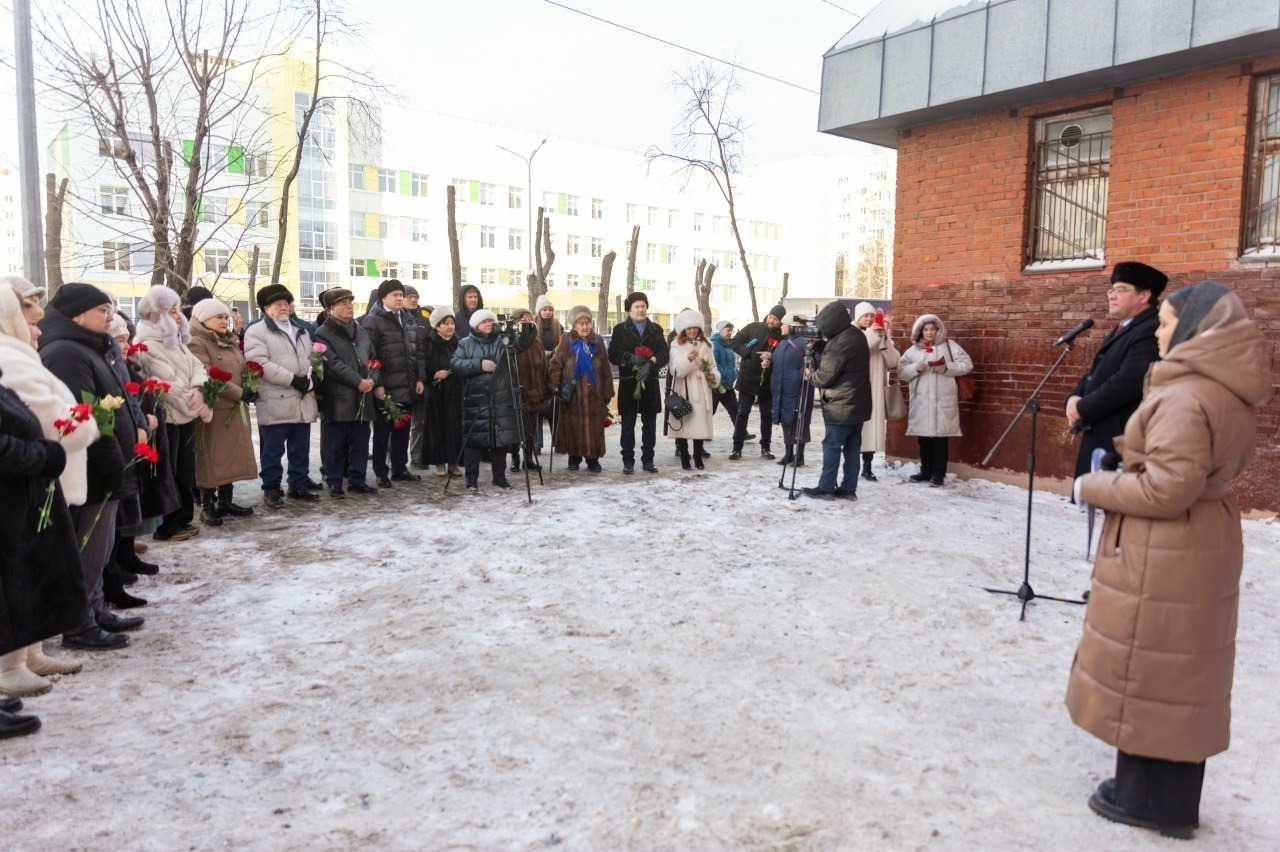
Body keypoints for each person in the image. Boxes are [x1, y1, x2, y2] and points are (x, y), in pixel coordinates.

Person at [1066, 281, 1271, 840]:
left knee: (1148, 663)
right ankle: (1171, 799)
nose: (1158, 329)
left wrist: (1096, 484)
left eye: (1167, 321)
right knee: (1181, 672)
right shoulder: (1221, 389)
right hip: (1201, 541)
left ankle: (1142, 799)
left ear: (1196, 329)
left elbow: (1166, 490)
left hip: (1167, 547)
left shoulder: (1186, 395)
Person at [38, 283, 145, 649]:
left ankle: (95, 608)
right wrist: (112, 459)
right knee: (88, 547)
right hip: (91, 468)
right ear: (78, 315)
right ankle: (79, 623)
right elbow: (84, 415)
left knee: (101, 545)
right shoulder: (67, 353)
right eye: (103, 310)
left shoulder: (89, 347)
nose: (111, 317)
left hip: (106, 464)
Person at [0, 280, 93, 692]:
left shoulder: (19, 352)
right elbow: (48, 417)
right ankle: (10, 664)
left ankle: (29, 653)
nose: (37, 322)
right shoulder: (11, 356)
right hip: (27, 476)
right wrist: (83, 426)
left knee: (33, 566)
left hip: (36, 475)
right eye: (28, 312)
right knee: (20, 570)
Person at [1065, 261, 1165, 478]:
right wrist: (1075, 397)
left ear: (1144, 295)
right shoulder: (1124, 328)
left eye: (1121, 290)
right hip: (1103, 427)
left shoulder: (1150, 329)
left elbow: (1129, 381)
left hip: (1121, 434)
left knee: (1112, 503)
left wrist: (1084, 407)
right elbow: (1098, 371)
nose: (1111, 295)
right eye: (1111, 290)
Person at [131, 285, 214, 539]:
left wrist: (200, 388)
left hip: (186, 415)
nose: (179, 316)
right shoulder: (146, 345)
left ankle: (183, 518)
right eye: (173, 311)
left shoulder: (177, 341)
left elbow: (198, 367)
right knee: (172, 471)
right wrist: (195, 403)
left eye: (178, 311)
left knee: (186, 470)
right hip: (168, 417)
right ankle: (169, 524)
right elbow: (165, 384)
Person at [244, 284, 320, 509]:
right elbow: (259, 363)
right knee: (273, 448)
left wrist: (313, 377)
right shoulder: (257, 331)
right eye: (279, 304)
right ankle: (271, 488)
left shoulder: (301, 330)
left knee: (301, 446)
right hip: (276, 397)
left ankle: (298, 483)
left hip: (302, 397)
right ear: (267, 308)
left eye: (287, 303)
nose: (285, 307)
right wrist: (292, 379)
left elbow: (312, 359)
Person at [187, 298, 258, 524]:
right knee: (211, 456)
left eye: (225, 317)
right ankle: (207, 504)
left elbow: (241, 366)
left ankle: (226, 500)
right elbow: (207, 374)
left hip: (234, 409)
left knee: (231, 456)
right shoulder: (196, 342)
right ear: (204, 319)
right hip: (214, 409)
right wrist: (239, 392)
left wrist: (251, 385)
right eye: (219, 317)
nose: (224, 321)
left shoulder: (230, 340)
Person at [450, 308, 536, 490]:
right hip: (476, 398)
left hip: (501, 397)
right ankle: (471, 479)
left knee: (500, 440)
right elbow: (455, 364)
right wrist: (479, 365)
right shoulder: (465, 343)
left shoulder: (503, 340)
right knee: (474, 442)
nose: (488, 324)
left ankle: (500, 477)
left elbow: (523, 343)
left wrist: (528, 328)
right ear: (476, 325)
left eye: (490, 321)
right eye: (484, 322)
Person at [801, 301, 871, 499]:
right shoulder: (856, 335)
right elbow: (844, 359)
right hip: (858, 404)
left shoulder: (839, 344)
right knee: (852, 448)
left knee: (831, 446)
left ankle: (826, 487)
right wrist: (823, 346)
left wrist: (810, 375)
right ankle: (849, 489)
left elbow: (825, 377)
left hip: (840, 406)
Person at [314, 288, 379, 497]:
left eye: (350, 302)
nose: (349, 306)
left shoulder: (360, 331)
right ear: (330, 309)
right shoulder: (322, 333)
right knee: (336, 444)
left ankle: (357, 479)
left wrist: (372, 379)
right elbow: (332, 364)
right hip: (339, 398)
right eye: (343, 303)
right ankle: (334, 481)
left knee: (361, 441)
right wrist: (358, 381)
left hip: (363, 396)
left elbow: (374, 359)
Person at [360, 279, 423, 487]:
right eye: (395, 295)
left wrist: (420, 378)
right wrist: (377, 384)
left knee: (402, 430)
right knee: (382, 432)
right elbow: (368, 355)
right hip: (385, 387)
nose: (399, 298)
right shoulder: (373, 321)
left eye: (400, 294)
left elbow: (418, 352)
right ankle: (381, 471)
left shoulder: (408, 319)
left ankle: (399, 468)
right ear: (383, 298)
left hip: (407, 384)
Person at [897, 314, 973, 487]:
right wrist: (916, 367)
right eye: (926, 329)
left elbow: (967, 364)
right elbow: (902, 371)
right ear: (920, 331)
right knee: (924, 439)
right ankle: (925, 471)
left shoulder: (949, 346)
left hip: (942, 400)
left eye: (933, 329)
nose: (930, 333)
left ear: (938, 330)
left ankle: (938, 474)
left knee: (940, 439)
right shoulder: (913, 350)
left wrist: (946, 367)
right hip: (922, 400)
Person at [608, 292, 669, 474]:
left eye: (643, 306)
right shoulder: (620, 329)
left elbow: (664, 353)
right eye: (637, 306)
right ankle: (628, 461)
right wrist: (630, 358)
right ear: (629, 309)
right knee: (628, 424)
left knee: (649, 425)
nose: (641, 309)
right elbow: (613, 354)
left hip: (649, 383)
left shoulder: (656, 329)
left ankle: (648, 460)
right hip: (629, 382)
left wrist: (651, 362)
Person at [549, 305, 612, 472]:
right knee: (572, 426)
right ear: (574, 325)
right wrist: (555, 384)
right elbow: (556, 364)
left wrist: (607, 392)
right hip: (573, 394)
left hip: (594, 394)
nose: (584, 326)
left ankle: (593, 460)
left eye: (587, 323)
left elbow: (605, 368)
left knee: (594, 427)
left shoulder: (598, 341)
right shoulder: (566, 341)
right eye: (580, 323)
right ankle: (574, 458)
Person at [728, 305, 786, 460]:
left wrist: (772, 357)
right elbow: (734, 342)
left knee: (766, 415)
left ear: (781, 322)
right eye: (771, 317)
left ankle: (766, 447)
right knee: (742, 413)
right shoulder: (753, 327)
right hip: (748, 376)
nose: (772, 321)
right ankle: (736, 448)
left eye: (776, 319)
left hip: (767, 380)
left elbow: (785, 356)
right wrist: (747, 353)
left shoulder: (782, 335)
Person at [664, 309, 719, 470]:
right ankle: (684, 457)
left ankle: (697, 456)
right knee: (683, 422)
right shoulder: (676, 344)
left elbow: (713, 366)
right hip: (684, 388)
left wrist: (713, 376)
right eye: (689, 328)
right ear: (683, 330)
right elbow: (674, 370)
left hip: (701, 389)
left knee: (699, 423)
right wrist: (687, 359)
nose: (692, 330)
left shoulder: (707, 344)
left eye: (695, 327)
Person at [852, 302, 901, 481]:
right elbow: (859, 350)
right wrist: (873, 336)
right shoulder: (853, 334)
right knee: (858, 428)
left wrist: (885, 341)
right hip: (858, 389)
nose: (870, 319)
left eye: (872, 316)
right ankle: (852, 465)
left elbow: (894, 361)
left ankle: (867, 465)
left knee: (871, 428)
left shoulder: (879, 335)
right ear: (858, 317)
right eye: (866, 315)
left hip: (876, 391)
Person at [420, 308, 464, 476]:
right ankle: (439, 462)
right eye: (445, 323)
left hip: (454, 390)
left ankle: (454, 461)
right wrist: (434, 374)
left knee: (454, 426)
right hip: (436, 391)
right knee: (437, 427)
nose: (450, 327)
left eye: (452, 323)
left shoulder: (458, 342)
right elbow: (422, 365)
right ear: (437, 326)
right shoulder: (428, 343)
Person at [770, 314, 815, 468]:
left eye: (783, 324)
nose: (781, 326)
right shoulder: (783, 343)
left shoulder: (804, 342)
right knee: (786, 420)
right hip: (782, 388)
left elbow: (814, 361)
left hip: (798, 389)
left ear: (792, 325)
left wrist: (800, 374)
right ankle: (788, 453)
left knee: (800, 420)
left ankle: (800, 456)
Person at [510, 307, 549, 472]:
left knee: (531, 428)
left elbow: (544, 367)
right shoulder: (511, 340)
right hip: (516, 390)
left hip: (534, 390)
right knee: (514, 427)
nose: (525, 322)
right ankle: (514, 458)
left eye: (528, 318)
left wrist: (546, 386)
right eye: (521, 318)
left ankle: (528, 457)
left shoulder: (537, 342)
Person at [401, 285, 429, 468]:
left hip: (420, 377)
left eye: (415, 297)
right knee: (399, 423)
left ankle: (417, 458)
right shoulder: (397, 320)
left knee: (419, 422)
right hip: (401, 380)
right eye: (409, 296)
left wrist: (423, 377)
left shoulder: (425, 322)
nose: (413, 300)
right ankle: (396, 459)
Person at [711, 319, 739, 426]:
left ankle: (741, 433)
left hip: (727, 385)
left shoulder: (728, 345)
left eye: (731, 331)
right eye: (728, 330)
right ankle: (703, 433)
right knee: (710, 412)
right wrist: (724, 374)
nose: (730, 333)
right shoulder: (715, 344)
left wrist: (734, 373)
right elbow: (714, 364)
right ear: (721, 330)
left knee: (735, 410)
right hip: (717, 385)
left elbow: (732, 364)